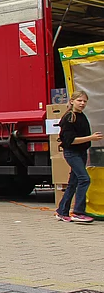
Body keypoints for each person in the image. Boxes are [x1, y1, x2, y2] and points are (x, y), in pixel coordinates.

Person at [55, 91, 102, 224]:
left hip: (81, 153)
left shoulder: (81, 116)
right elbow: (70, 141)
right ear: (72, 101)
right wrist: (91, 138)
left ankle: (62, 212)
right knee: (85, 179)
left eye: (84, 101)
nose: (82, 103)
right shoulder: (69, 118)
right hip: (72, 153)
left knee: (73, 183)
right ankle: (78, 212)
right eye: (79, 101)